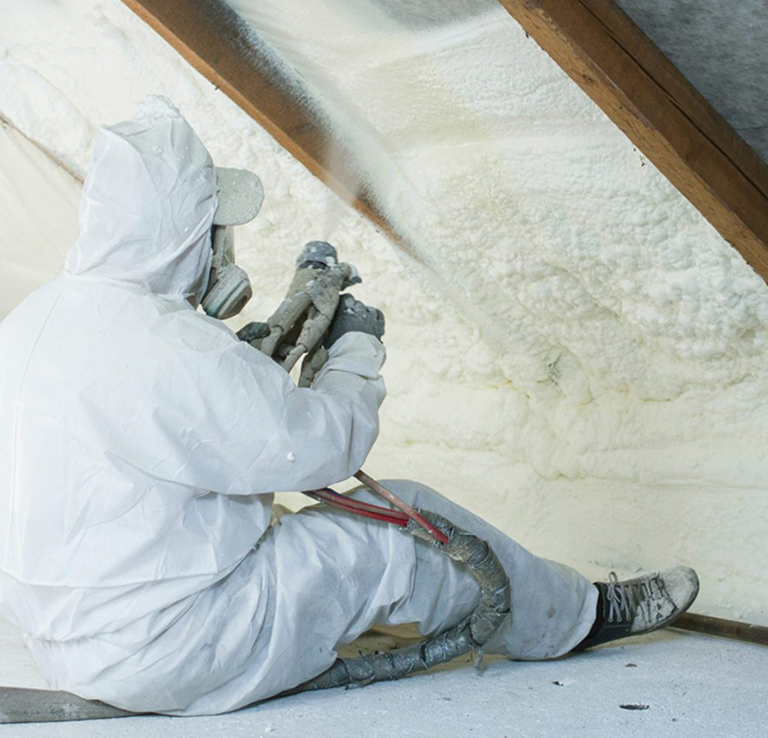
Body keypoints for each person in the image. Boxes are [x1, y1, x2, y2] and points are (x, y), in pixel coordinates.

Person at [0, 97, 699, 716]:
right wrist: (356, 351)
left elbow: (163, 432)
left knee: (290, 532)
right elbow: (325, 449)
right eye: (213, 224)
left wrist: (247, 362)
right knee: (406, 528)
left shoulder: (35, 321)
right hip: (177, 647)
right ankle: (577, 619)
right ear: (185, 230)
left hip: (69, 641)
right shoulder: (172, 349)